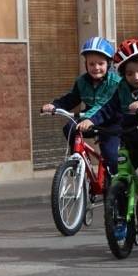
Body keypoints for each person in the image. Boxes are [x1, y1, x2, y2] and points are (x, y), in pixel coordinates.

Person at [78, 38, 138, 169]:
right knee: (119, 171)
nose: (136, 77)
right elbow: (107, 108)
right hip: (130, 139)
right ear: (123, 75)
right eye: (129, 74)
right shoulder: (121, 88)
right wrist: (91, 120)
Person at [40, 37, 121, 180]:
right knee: (70, 128)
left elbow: (113, 106)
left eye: (101, 63)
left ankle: (114, 185)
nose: (96, 68)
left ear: (108, 64)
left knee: (111, 155)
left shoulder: (116, 82)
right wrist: (55, 105)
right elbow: (72, 99)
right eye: (91, 64)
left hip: (110, 123)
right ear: (86, 64)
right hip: (88, 120)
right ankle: (77, 160)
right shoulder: (82, 82)